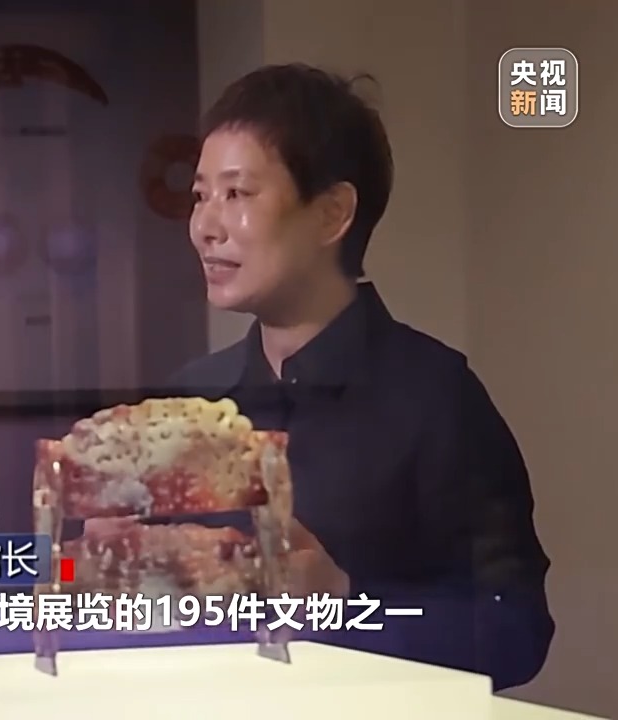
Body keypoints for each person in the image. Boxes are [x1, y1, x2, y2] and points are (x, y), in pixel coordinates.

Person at [168, 63, 554, 689]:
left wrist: (346, 601)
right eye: (200, 196)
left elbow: (516, 629)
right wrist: (96, 569)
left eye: (236, 194)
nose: (205, 227)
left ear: (332, 214)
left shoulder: (436, 396)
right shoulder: (190, 400)